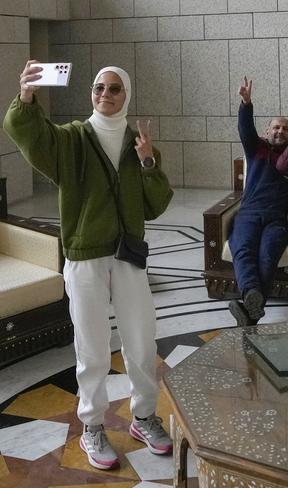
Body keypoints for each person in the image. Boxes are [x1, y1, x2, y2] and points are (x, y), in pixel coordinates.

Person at [4, 62, 174, 469]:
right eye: (98, 88)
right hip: (85, 259)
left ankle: (144, 417)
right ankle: (92, 426)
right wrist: (26, 98)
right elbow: (32, 134)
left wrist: (149, 162)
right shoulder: (74, 139)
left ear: (126, 95)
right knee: (93, 350)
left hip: (127, 255)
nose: (105, 95)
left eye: (114, 89)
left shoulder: (139, 143)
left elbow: (157, 203)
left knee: (141, 342)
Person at [228, 77, 288, 326]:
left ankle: (250, 307)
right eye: (276, 128)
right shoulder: (257, 148)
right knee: (242, 248)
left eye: (286, 129)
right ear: (267, 131)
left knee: (267, 255)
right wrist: (246, 103)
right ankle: (253, 297)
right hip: (250, 213)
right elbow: (245, 129)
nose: (280, 131)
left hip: (278, 218)